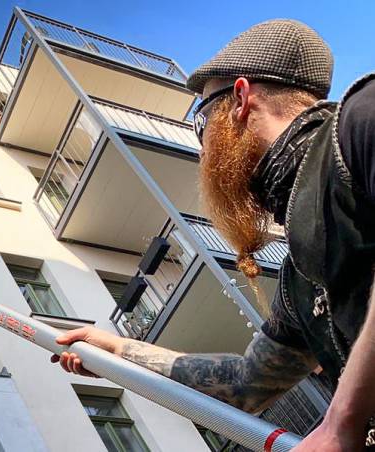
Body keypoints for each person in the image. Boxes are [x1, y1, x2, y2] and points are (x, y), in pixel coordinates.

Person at [51, 19, 375, 451]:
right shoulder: (300, 277)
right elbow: (246, 384)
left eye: (202, 119)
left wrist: (341, 421)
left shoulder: (361, 121)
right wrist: (118, 352)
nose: (203, 147)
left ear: (240, 99)